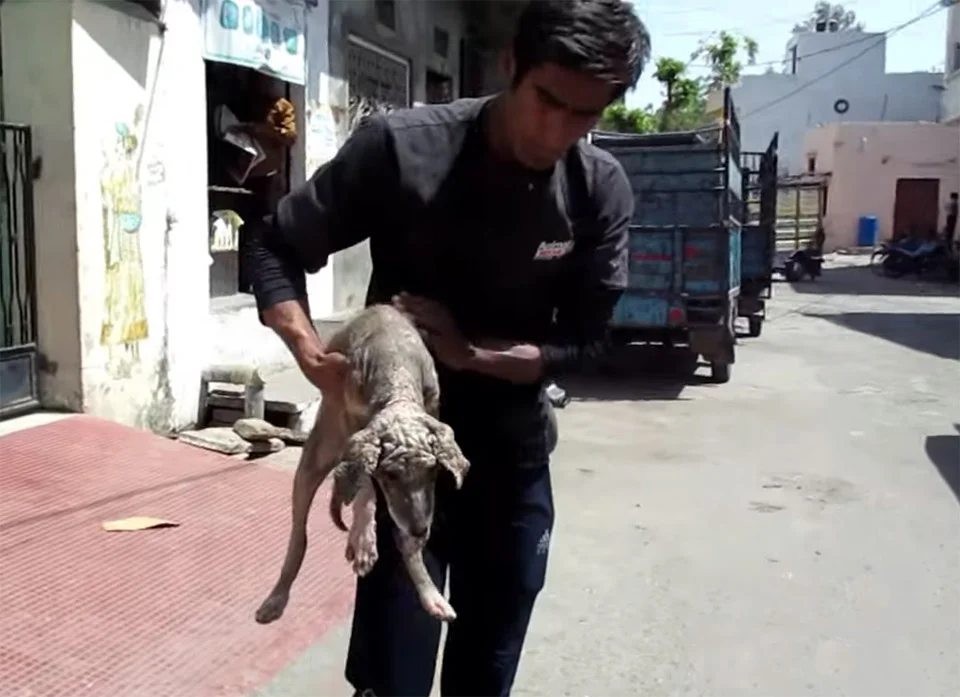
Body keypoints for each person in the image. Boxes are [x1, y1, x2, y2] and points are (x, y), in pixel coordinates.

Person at [241, 1, 650, 694]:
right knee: (391, 678)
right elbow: (275, 244)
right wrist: (314, 359)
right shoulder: (404, 148)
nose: (558, 130)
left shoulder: (597, 189)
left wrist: (469, 353)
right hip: (403, 465)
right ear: (510, 66)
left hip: (512, 462)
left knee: (485, 674)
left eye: (585, 114)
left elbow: (584, 342)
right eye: (546, 100)